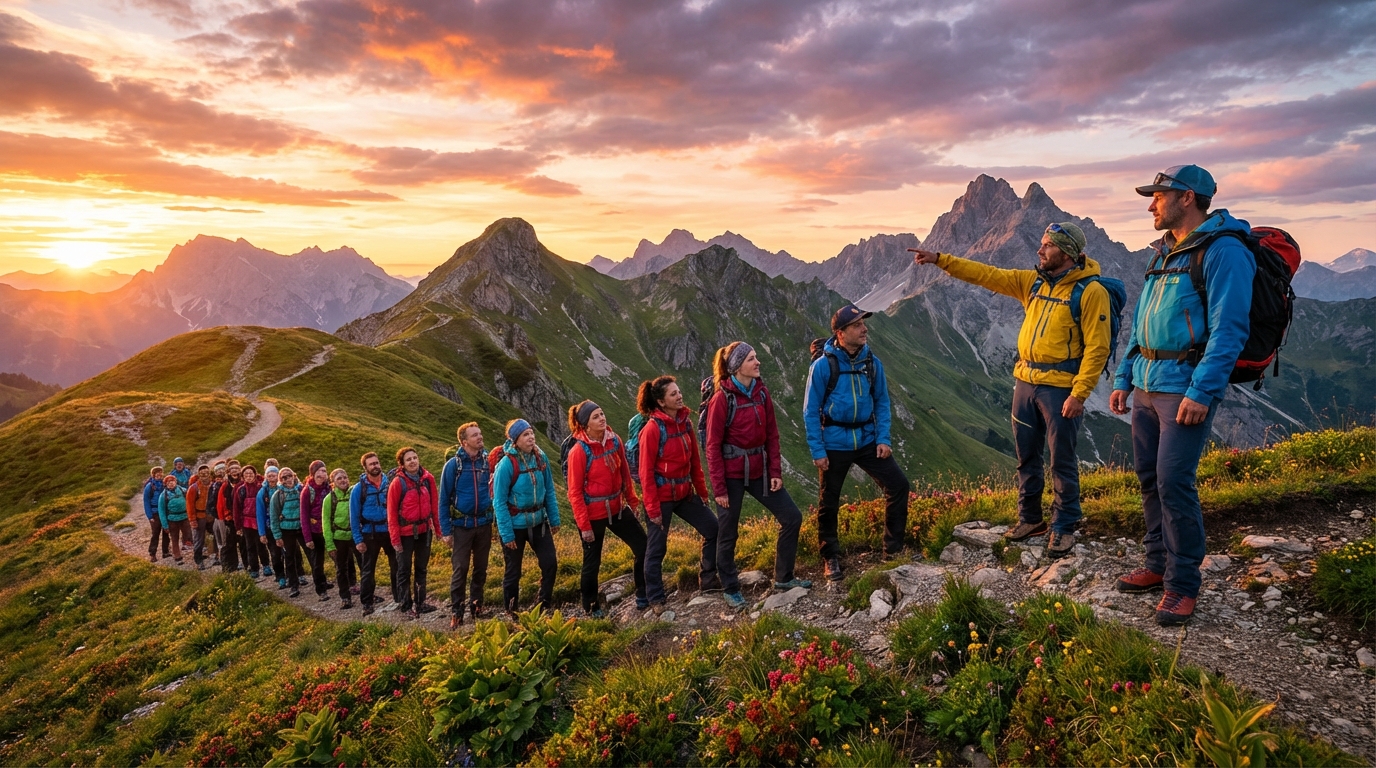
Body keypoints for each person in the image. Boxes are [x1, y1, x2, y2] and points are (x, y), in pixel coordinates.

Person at [911, 222, 1113, 559]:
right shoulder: (1032, 282)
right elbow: (986, 274)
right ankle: (1030, 519)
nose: (1040, 250)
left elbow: (1097, 348)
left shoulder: (1090, 292)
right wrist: (940, 259)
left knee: (1061, 459)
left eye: (1047, 245)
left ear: (1066, 252)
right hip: (1025, 383)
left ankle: (1064, 525)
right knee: (1026, 457)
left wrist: (1079, 394)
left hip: (1059, 388)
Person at [1110, 165, 1255, 626]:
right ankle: (1157, 564)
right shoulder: (1165, 251)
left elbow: (1229, 329)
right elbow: (1141, 322)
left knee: (1174, 482)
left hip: (1184, 388)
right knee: (1149, 478)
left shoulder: (1223, 250)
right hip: (1147, 385)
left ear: (1187, 197)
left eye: (1158, 196)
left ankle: (1183, 584)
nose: (1151, 205)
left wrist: (1202, 390)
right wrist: (1124, 377)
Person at [803, 304, 911, 581]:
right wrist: (818, 450)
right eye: (857, 325)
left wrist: (883, 438)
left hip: (866, 439)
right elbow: (810, 410)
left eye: (863, 323)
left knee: (898, 485)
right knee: (829, 500)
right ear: (840, 333)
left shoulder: (872, 363)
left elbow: (882, 402)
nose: (864, 329)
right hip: (834, 442)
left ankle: (893, 550)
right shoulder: (823, 366)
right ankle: (830, 556)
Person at [705, 343, 809, 610]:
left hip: (759, 470)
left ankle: (784, 577)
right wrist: (719, 489)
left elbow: (772, 434)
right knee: (728, 531)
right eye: (752, 359)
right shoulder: (722, 399)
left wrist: (775, 472)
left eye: (756, 357)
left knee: (792, 517)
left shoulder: (761, 392)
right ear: (737, 366)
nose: (758, 362)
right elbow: (712, 446)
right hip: (731, 475)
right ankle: (730, 588)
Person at [636, 376, 719, 613]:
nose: (679, 396)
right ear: (661, 402)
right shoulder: (652, 429)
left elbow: (695, 462)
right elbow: (645, 473)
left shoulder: (685, 423)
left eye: (679, 391)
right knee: (656, 548)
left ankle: (708, 579)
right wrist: (652, 509)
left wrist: (702, 492)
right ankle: (655, 598)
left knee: (713, 528)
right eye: (673, 394)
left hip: (684, 493)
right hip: (661, 497)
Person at [566, 401, 647, 617]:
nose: (602, 418)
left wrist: (632, 501)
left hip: (617, 508)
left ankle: (643, 592)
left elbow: (624, 474)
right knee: (592, 562)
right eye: (595, 416)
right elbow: (574, 492)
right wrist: (584, 526)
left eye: (601, 413)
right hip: (592, 514)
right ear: (585, 424)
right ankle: (591, 607)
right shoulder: (578, 451)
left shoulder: (614, 440)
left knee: (643, 547)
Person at [493, 420, 561, 615]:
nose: (531, 437)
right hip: (515, 526)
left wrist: (554, 519)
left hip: (539, 522)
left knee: (550, 563)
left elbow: (549, 490)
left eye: (531, 433)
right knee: (513, 571)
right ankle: (512, 611)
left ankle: (543, 605)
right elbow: (499, 502)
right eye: (525, 435)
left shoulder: (541, 457)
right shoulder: (506, 464)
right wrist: (507, 535)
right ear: (515, 440)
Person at [439, 422, 494, 630]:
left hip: (484, 523)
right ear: (464, 442)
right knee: (460, 568)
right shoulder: (453, 466)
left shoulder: (487, 461)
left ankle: (477, 605)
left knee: (481, 567)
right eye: (474, 435)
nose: (480, 437)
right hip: (461, 526)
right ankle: (457, 611)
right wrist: (446, 531)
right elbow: (443, 500)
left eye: (480, 433)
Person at [388, 447, 440, 618]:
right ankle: (406, 605)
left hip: (424, 531)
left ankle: (420, 602)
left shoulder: (428, 479)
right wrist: (395, 539)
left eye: (414, 458)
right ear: (402, 464)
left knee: (421, 568)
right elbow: (391, 513)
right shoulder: (398, 483)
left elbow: (434, 506)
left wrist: (438, 529)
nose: (412, 461)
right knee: (404, 570)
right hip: (404, 534)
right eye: (408, 459)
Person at [351, 452, 398, 617]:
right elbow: (354, 516)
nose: (375, 466)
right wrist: (358, 540)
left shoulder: (389, 484)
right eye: (371, 464)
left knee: (397, 565)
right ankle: (367, 603)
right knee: (368, 570)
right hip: (369, 533)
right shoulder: (359, 489)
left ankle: (399, 598)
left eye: (376, 463)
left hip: (389, 530)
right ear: (365, 467)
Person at [270, 467, 310, 598]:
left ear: (294, 476)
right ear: (280, 480)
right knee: (289, 558)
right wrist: (277, 536)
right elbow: (274, 517)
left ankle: (320, 581)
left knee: (312, 554)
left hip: (302, 528)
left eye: (289, 476)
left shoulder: (302, 490)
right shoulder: (277, 495)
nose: (287, 479)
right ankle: (293, 585)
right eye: (284, 477)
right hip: (286, 530)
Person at [322, 468, 357, 609]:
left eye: (345, 477)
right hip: (338, 538)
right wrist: (330, 545)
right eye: (339, 478)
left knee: (364, 565)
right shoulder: (329, 499)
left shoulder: (355, 493)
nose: (343, 480)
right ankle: (345, 597)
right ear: (333, 483)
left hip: (355, 535)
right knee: (341, 569)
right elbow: (325, 523)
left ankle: (368, 594)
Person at [300, 461, 335, 601]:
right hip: (315, 531)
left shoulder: (329, 488)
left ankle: (347, 584)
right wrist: (307, 538)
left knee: (338, 556)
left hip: (330, 529)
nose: (322, 474)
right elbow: (304, 516)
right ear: (312, 474)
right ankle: (321, 590)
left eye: (324, 471)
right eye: (319, 471)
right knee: (317, 561)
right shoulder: (307, 491)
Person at [256, 466, 286, 588]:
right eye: (269, 476)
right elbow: (260, 513)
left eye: (274, 475)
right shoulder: (262, 493)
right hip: (270, 528)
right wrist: (262, 533)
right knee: (275, 554)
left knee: (290, 552)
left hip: (285, 525)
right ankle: (280, 576)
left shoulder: (283, 489)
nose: (272, 478)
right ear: (266, 477)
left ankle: (294, 574)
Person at [235, 465, 266, 578]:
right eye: (246, 474)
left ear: (255, 475)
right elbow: (237, 509)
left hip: (260, 520)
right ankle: (254, 568)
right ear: (243, 476)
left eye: (251, 473)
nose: (249, 476)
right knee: (250, 546)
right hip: (246, 522)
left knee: (261, 544)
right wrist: (238, 526)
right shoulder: (240, 490)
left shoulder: (261, 488)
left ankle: (266, 565)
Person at [213, 463, 241, 574]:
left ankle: (246, 566)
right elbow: (220, 504)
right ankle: (228, 567)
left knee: (244, 544)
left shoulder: (243, 483)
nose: (234, 471)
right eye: (232, 469)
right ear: (228, 472)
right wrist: (222, 519)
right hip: (229, 519)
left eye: (237, 469)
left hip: (242, 518)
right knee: (229, 544)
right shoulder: (225, 486)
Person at [185, 464, 215, 570]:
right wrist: (192, 520)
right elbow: (189, 505)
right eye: (202, 473)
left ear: (209, 473)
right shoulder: (194, 488)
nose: (204, 475)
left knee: (216, 535)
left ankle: (216, 555)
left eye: (206, 472)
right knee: (199, 539)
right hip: (199, 516)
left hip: (211, 515)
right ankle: (198, 560)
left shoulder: (213, 485)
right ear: (199, 474)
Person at [157, 473, 191, 563]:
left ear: (176, 482)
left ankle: (189, 547)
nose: (171, 483)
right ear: (165, 484)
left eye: (172, 481)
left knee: (188, 535)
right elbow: (161, 511)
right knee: (174, 538)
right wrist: (165, 525)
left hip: (185, 517)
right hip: (172, 520)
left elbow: (190, 502)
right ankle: (177, 555)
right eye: (168, 482)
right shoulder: (163, 496)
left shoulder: (183, 491)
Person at [143, 466, 170, 562]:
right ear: (153, 475)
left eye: (160, 472)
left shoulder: (164, 484)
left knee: (166, 532)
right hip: (155, 513)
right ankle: (152, 554)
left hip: (165, 511)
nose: (159, 474)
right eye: (157, 473)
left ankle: (165, 552)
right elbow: (146, 502)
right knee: (155, 534)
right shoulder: (149, 486)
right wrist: (150, 516)